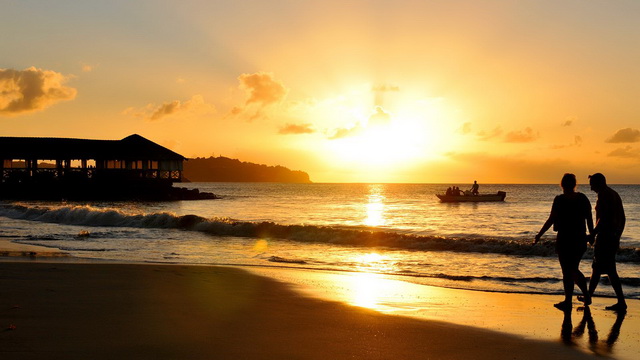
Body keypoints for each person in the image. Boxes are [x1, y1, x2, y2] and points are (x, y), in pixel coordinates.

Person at [534, 173, 593, 310]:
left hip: (565, 238)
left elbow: (551, 219)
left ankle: (574, 299)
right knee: (572, 269)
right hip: (579, 238)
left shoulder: (559, 199)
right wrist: (591, 234)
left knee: (569, 270)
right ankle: (577, 298)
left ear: (562, 184)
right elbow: (589, 218)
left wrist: (539, 235)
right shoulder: (582, 198)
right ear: (574, 184)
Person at [580, 173, 627, 312]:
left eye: (592, 185)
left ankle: (621, 302)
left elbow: (603, 218)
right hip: (612, 236)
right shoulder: (614, 194)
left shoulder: (603, 195)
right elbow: (623, 218)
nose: (591, 189)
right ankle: (588, 297)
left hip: (605, 237)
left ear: (599, 183)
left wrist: (593, 233)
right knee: (597, 268)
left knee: (610, 271)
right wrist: (618, 235)